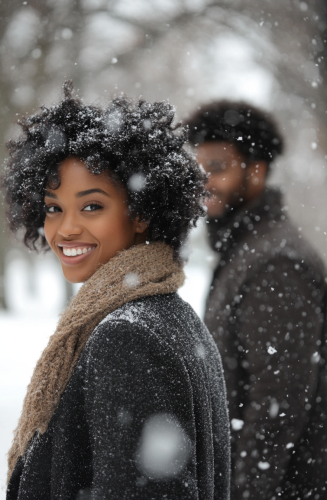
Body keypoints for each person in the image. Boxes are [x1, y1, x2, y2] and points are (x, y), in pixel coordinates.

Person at [2, 82, 230, 500]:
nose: (66, 228)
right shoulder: (166, 314)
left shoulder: (127, 338)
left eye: (92, 206)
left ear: (141, 213)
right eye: (54, 207)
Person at [186, 101, 327, 499]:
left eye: (217, 167)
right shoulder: (245, 251)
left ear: (256, 170)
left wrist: (242, 491)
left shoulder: (277, 262)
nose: (204, 181)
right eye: (199, 168)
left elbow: (278, 404)